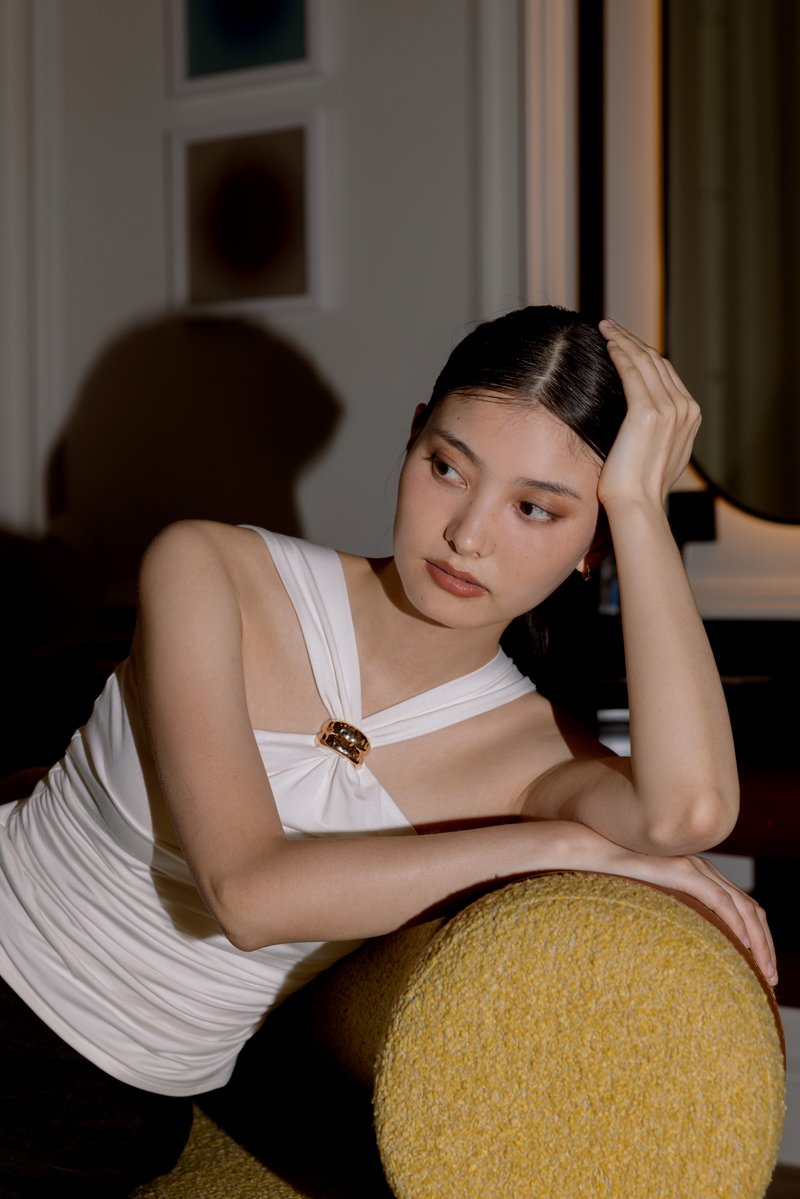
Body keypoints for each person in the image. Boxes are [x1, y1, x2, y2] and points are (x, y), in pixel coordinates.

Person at [0, 307, 776, 1197]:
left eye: (535, 507)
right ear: (411, 439)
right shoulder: (209, 567)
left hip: (97, 1116)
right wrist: (567, 844)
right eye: (448, 467)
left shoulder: (529, 755)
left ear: (592, 545)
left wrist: (640, 508)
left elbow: (689, 811)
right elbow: (247, 892)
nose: (468, 534)